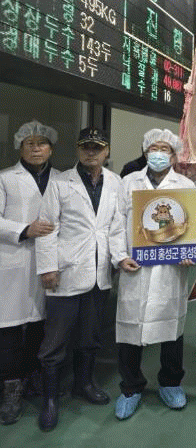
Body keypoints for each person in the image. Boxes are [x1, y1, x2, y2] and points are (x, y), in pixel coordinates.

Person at [35, 127, 137, 431]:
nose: (91, 152)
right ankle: (50, 400)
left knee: (91, 336)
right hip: (65, 272)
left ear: (106, 151)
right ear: (78, 150)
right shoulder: (60, 182)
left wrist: (120, 257)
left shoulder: (115, 182)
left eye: (97, 148)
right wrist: (48, 268)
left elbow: (116, 227)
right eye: (85, 147)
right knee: (55, 340)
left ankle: (84, 384)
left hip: (99, 273)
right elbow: (47, 227)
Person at [114, 128, 195, 420]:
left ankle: (171, 383)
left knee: (172, 329)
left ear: (174, 156)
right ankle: (130, 387)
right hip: (135, 266)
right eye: (153, 149)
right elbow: (116, 222)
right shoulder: (128, 182)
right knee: (129, 329)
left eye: (165, 149)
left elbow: (193, 226)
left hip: (170, 270)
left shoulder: (185, 185)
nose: (159, 154)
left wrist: (190, 252)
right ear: (145, 152)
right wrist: (120, 256)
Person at [0, 121, 59, 425]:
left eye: (42, 143)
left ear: (51, 148)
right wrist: (25, 229)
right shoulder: (5, 179)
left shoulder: (62, 179)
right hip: (14, 260)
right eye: (30, 143)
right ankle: (11, 387)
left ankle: (33, 375)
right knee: (9, 328)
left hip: (51, 263)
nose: (36, 148)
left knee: (41, 324)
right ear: (20, 147)